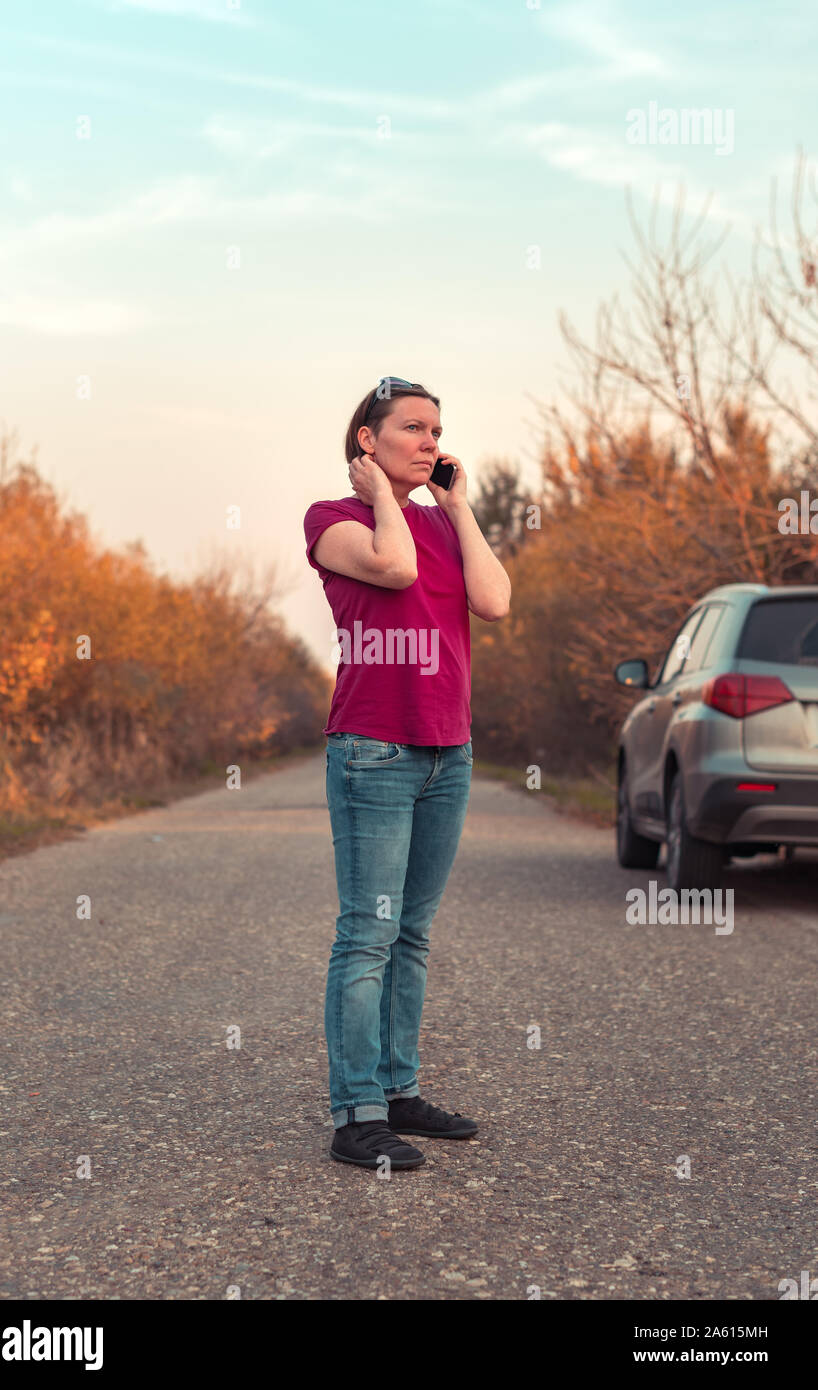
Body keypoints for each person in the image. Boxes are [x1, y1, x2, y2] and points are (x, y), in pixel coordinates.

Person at [303, 377, 511, 1170]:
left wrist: (457, 509)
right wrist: (385, 499)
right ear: (368, 440)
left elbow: (493, 600)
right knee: (368, 935)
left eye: (437, 430)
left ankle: (397, 1090)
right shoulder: (335, 521)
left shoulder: (441, 523)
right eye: (413, 429)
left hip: (445, 751)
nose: (431, 442)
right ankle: (356, 1114)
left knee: (412, 935)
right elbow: (390, 569)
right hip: (374, 749)